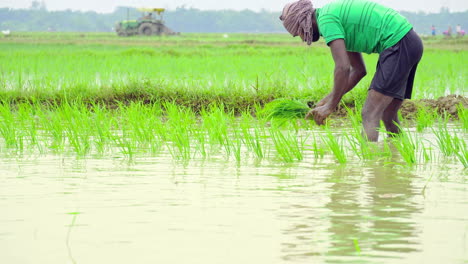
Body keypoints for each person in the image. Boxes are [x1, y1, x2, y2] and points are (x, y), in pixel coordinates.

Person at [279, 0, 423, 141]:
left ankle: (369, 163)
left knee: (370, 113)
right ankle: (398, 155)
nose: (302, 38)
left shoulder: (326, 20)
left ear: (304, 21)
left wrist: (330, 106)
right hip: (408, 42)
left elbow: (343, 67)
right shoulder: (333, 18)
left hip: (398, 42)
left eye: (298, 32)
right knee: (388, 113)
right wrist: (328, 99)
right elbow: (358, 70)